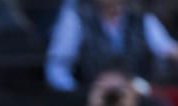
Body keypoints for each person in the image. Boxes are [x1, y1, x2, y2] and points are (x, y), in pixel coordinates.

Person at [46, 0, 178, 95]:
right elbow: (57, 68)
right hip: (90, 96)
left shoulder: (141, 18)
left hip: (136, 94)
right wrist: (77, 93)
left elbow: (168, 49)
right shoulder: (76, 17)